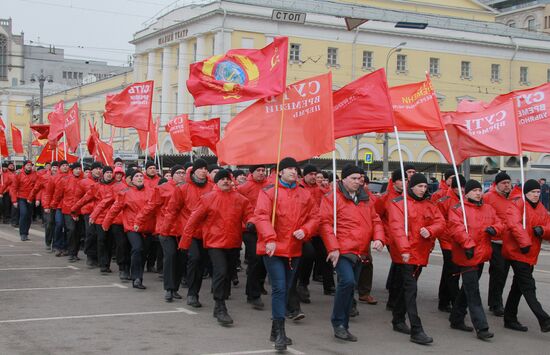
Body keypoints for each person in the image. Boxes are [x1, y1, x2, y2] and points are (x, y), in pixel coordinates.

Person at [254, 157, 319, 351]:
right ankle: (280, 333)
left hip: (294, 249)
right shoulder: (268, 191)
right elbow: (261, 216)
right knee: (280, 288)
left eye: (295, 168)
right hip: (272, 248)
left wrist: (306, 230)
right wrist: (270, 237)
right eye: (288, 168)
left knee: (287, 286)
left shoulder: (304, 194)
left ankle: (275, 328)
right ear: (280, 172)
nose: (293, 171)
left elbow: (315, 216)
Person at [320, 164, 385, 342]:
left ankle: (344, 325)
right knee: (347, 282)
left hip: (361, 251)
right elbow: (325, 223)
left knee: (351, 287)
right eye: (353, 178)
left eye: (360, 179)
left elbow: (376, 220)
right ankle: (338, 322)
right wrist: (333, 248)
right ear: (343, 179)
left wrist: (379, 238)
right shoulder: (332, 198)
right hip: (342, 250)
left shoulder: (366, 199)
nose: (358, 182)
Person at [183, 169, 253, 325]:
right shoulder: (208, 198)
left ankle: (219, 302)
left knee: (228, 272)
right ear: (216, 182)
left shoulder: (241, 200)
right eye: (221, 179)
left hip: (233, 242)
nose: (225, 181)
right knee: (220, 271)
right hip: (214, 242)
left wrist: (251, 222)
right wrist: (185, 241)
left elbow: (249, 214)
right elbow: (193, 220)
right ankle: (220, 305)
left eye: (228, 179)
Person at [387, 173, 445, 345]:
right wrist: (404, 250)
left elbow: (441, 222)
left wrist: (431, 230)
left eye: (425, 187)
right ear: (411, 186)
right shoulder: (398, 204)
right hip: (405, 254)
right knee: (411, 290)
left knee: (405, 289)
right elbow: (396, 228)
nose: (423, 189)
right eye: (420, 186)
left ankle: (397, 319)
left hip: (420, 253)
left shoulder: (429, 205)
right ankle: (416, 329)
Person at [447, 179, 499, 340]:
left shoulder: (488, 208)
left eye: (479, 190)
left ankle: (456, 318)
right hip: (466, 254)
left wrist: (495, 229)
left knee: (467, 289)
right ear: (466, 192)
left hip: (482, 255)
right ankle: (482, 327)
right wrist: (468, 244)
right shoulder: (457, 208)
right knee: (473, 291)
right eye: (474, 190)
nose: (478, 193)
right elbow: (456, 228)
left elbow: (500, 223)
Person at [503, 179, 550, 333]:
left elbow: (548, 225)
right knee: (528, 286)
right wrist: (524, 243)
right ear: (526, 193)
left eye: (538, 192)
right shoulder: (518, 204)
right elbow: (513, 224)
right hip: (517, 252)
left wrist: (543, 230)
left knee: (518, 287)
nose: (536, 195)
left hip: (530, 253)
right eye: (532, 192)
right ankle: (544, 319)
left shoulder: (541, 209)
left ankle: (509, 318)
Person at [165, 158, 213, 307]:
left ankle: (194, 291)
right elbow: (172, 210)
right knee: (194, 258)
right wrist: (165, 229)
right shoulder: (183, 188)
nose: (204, 171)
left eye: (206, 168)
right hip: (188, 230)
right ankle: (191, 294)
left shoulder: (212, 187)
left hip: (206, 232)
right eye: (201, 168)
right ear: (194, 171)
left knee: (201, 264)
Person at [134, 165, 185, 302]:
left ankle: (175, 288)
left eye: (183, 173)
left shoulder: (186, 188)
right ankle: (168, 289)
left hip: (182, 230)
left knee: (180, 259)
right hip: (165, 229)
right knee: (170, 256)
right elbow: (151, 206)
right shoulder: (163, 188)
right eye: (178, 173)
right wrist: (139, 220)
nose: (181, 175)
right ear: (172, 175)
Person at [102, 170, 154, 289]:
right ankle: (136, 278)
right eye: (137, 176)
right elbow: (115, 208)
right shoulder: (125, 193)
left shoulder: (151, 191)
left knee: (143, 253)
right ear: (131, 179)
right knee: (137, 248)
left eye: (141, 176)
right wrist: (106, 222)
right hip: (132, 227)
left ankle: (136, 272)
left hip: (147, 227)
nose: (140, 178)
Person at [483, 171, 516, 316]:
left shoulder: (515, 198)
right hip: (495, 241)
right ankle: (496, 303)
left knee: (504, 273)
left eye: (508, 182)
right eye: (504, 183)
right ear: (496, 184)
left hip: (510, 242)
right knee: (498, 271)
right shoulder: (488, 197)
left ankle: (495, 301)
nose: (507, 185)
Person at [237, 164, 269, 310]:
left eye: (263, 170)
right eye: (259, 170)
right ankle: (253, 295)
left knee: (264, 260)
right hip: (249, 229)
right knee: (255, 259)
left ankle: (258, 284)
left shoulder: (270, 186)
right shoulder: (243, 188)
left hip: (266, 228)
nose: (262, 173)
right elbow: (238, 207)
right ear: (251, 172)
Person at [434, 175, 465, 313]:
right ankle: (453, 300)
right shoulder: (444, 200)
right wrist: (451, 234)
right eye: (459, 188)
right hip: (447, 240)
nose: (462, 190)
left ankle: (444, 300)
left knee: (450, 271)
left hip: (458, 240)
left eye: (464, 188)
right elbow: (440, 221)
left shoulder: (464, 200)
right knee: (452, 271)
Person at [52, 163, 84, 261]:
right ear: (72, 170)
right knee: (71, 230)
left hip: (80, 210)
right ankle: (71, 252)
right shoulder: (65, 180)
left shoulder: (84, 181)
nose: (78, 170)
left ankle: (75, 252)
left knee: (78, 232)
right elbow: (58, 194)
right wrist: (54, 205)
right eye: (76, 169)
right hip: (68, 209)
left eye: (80, 168)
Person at [10, 160, 37, 241]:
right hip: (21, 197)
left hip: (31, 198)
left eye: (30, 165)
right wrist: (14, 200)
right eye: (28, 165)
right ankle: (22, 233)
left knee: (29, 216)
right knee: (23, 214)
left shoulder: (35, 174)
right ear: (24, 166)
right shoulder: (19, 174)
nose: (29, 166)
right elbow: (14, 188)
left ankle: (26, 233)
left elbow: (38, 186)